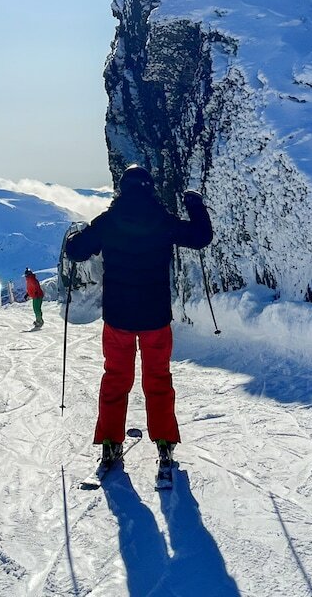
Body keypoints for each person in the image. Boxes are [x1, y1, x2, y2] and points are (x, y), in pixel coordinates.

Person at [64, 164, 212, 472]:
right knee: (158, 379)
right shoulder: (162, 221)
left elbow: (76, 251)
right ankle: (164, 443)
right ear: (150, 188)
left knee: (116, 379)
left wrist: (75, 237)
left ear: (122, 189)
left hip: (118, 316)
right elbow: (200, 237)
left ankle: (109, 444)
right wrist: (194, 203)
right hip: (155, 316)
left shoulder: (109, 222)